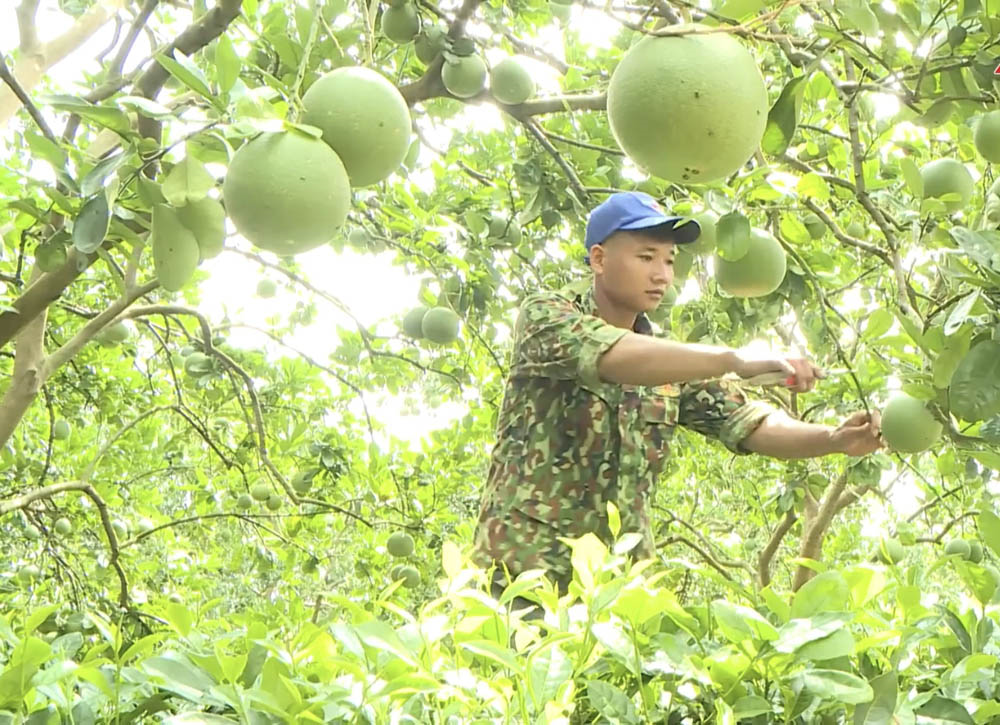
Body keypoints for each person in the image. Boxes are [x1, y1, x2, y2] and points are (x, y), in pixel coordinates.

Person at [471, 191, 883, 621]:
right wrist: (733, 359)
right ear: (598, 259)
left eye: (669, 261)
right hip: (523, 580)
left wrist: (834, 438)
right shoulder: (546, 316)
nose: (662, 275)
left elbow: (750, 423)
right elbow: (611, 355)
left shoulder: (667, 359)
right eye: (646, 257)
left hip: (618, 593)